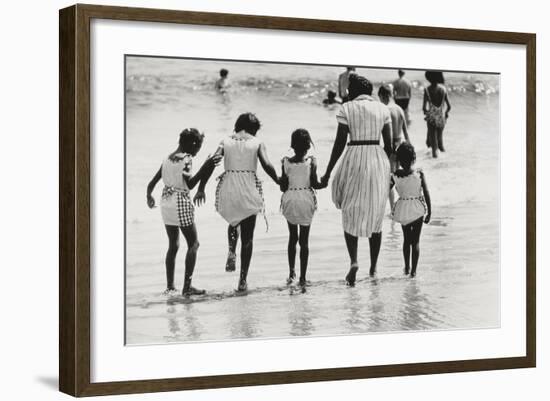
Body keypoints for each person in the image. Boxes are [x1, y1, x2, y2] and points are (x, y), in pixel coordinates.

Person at [320, 74, 393, 285]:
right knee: (376, 213)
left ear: (354, 91)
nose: (347, 92)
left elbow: (339, 142)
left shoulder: (347, 108)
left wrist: (327, 172)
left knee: (350, 209)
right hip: (378, 159)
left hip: (354, 156)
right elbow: (388, 146)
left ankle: (353, 261)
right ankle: (374, 268)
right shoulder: (383, 109)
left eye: (349, 89)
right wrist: (389, 172)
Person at [146, 129, 221, 296]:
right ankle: (187, 287)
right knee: (194, 243)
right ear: (192, 144)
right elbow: (191, 184)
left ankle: (170, 286)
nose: (197, 152)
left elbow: (151, 183)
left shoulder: (167, 158)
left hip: (165, 202)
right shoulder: (186, 159)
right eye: (198, 147)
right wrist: (206, 165)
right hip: (180, 201)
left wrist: (149, 195)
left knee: (173, 245)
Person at [213, 113, 280, 291]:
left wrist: (202, 184)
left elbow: (214, 159)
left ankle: (231, 251)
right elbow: (267, 164)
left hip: (229, 186)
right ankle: (242, 280)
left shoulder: (225, 140)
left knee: (234, 221)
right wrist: (279, 181)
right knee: (248, 237)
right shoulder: (257, 143)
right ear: (254, 129)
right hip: (248, 188)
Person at [279, 129, 326, 288]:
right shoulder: (311, 162)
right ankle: (303, 278)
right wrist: (324, 182)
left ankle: (291, 272)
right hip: (306, 199)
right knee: (304, 241)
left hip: (290, 199)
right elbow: (315, 184)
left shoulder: (285, 162)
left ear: (292, 145)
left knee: (292, 238)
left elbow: (283, 187)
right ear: (308, 146)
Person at [391, 142, 431, 277]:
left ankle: (406, 267)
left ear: (399, 160)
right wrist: (430, 211)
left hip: (403, 210)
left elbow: (384, 190)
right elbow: (426, 192)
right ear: (414, 158)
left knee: (406, 240)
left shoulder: (395, 175)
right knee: (416, 242)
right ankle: (414, 271)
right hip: (417, 210)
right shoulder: (419, 174)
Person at [378, 84, 411, 210]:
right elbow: (406, 133)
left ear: (382, 96)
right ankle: (403, 204)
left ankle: (392, 209)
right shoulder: (399, 109)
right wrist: (409, 149)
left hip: (391, 148)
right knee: (398, 178)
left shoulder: (385, 110)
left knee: (389, 180)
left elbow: (385, 133)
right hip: (401, 146)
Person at [423, 70, 451, 158]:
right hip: (441, 118)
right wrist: (446, 114)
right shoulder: (443, 89)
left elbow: (424, 108)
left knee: (434, 147)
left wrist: (427, 114)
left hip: (432, 119)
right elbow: (449, 106)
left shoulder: (427, 90)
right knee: (440, 144)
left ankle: (435, 167)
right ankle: (445, 162)